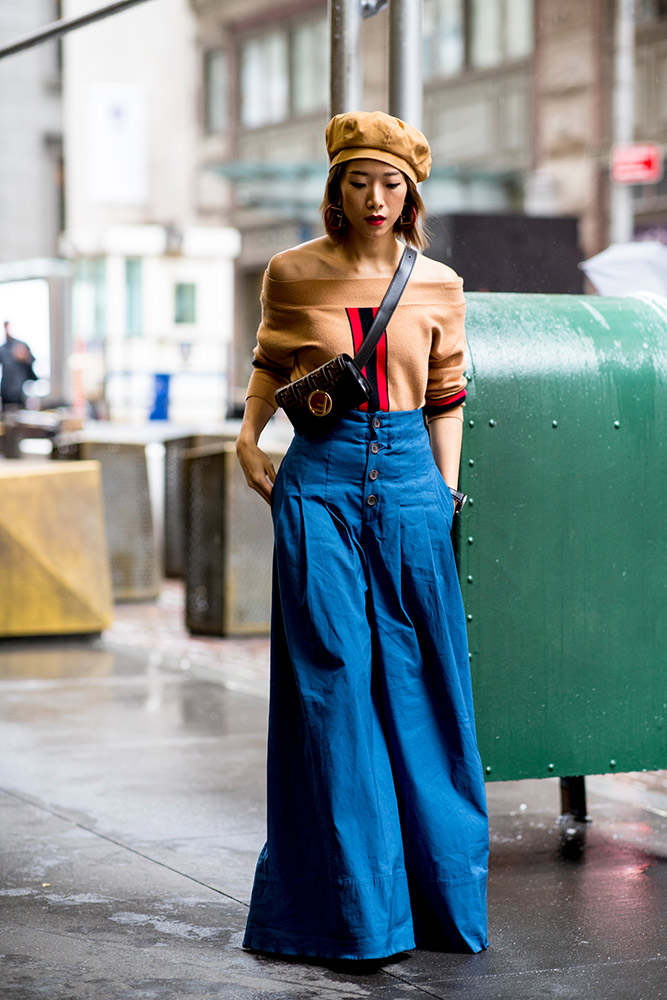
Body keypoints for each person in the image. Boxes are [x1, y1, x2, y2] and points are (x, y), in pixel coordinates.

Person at [236, 111, 489, 962]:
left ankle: (439, 901)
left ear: (410, 192)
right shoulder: (290, 272)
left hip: (415, 483)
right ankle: (352, 916)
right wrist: (246, 440)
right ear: (334, 188)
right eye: (358, 181)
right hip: (320, 484)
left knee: (424, 686)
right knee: (331, 689)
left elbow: (448, 393)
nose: (375, 198)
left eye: (391, 183)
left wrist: (446, 491)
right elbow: (271, 367)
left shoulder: (441, 284)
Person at [0, 321, 37, 410]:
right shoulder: (3, 349)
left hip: (21, 391)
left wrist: (25, 357)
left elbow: (32, 361)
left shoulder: (22, 346)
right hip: (6, 391)